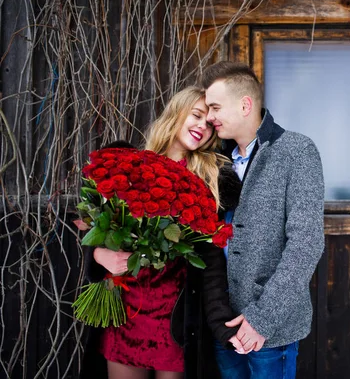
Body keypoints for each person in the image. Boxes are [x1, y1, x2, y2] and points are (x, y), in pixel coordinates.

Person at [79, 86, 244, 379]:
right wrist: (100, 254)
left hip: (175, 316)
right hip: (125, 307)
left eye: (209, 125)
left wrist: (222, 322)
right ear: (176, 112)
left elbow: (212, 259)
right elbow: (99, 230)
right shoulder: (127, 164)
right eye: (196, 115)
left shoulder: (210, 180)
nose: (201, 127)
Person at [201, 61, 325, 379]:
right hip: (224, 328)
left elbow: (306, 243)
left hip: (271, 332)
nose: (209, 116)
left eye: (215, 107)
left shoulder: (296, 151)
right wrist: (220, 320)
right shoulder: (215, 160)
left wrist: (261, 320)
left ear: (245, 105)